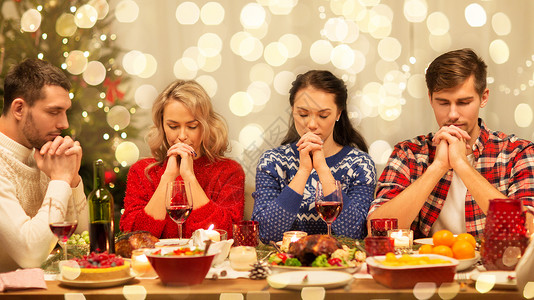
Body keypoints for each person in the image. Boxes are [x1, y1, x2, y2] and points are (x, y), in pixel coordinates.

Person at [368, 48, 534, 238]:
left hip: (492, 267)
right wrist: (438, 167)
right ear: (430, 99)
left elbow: (526, 231)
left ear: (484, 97)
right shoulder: (409, 153)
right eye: (443, 103)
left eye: (463, 102)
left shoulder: (518, 153)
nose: (453, 114)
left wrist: (461, 164)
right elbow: (376, 232)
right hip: (426, 265)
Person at [252, 70, 376, 243]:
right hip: (285, 265)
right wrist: (303, 171)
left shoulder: (359, 164)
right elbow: (266, 234)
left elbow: (353, 234)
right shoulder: (272, 162)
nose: (311, 124)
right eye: (303, 114)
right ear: (292, 111)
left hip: (339, 265)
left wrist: (322, 168)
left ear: (338, 114)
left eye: (323, 115)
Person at [120, 79, 245, 239]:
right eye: (173, 126)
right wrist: (168, 177)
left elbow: (226, 234)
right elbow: (134, 237)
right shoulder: (142, 171)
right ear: (162, 126)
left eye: (192, 126)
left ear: (206, 125)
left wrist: (189, 177)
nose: (182, 136)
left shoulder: (229, 171)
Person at [0, 58, 88, 272]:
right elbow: (30, 255)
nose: (64, 124)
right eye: (53, 111)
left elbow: (83, 243)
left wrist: (73, 179)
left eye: (65, 111)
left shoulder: (46, 156)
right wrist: (59, 180)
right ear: (19, 109)